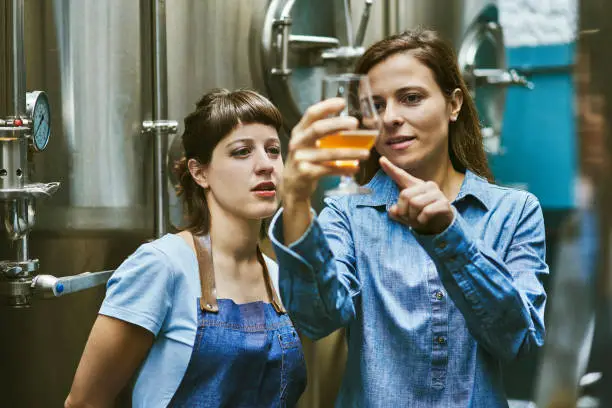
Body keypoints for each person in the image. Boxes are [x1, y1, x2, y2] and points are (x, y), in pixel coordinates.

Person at [269, 28, 549, 407]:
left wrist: (449, 235)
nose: (391, 118)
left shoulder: (513, 211)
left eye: (411, 98)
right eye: (376, 106)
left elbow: (519, 340)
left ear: (454, 104)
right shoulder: (348, 213)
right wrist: (297, 199)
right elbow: (316, 319)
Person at [65, 89, 307, 408]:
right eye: (242, 152)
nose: (265, 165)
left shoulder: (278, 277)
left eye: (273, 150)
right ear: (199, 172)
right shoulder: (163, 265)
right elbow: (85, 403)